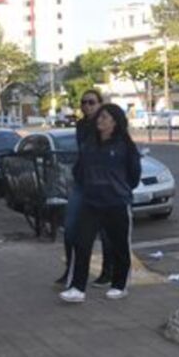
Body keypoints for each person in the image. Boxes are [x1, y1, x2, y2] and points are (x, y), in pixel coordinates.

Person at [60, 103, 141, 303]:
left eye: (105, 117)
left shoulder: (124, 145)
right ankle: (77, 288)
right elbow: (79, 170)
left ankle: (119, 284)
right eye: (99, 117)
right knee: (82, 243)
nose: (100, 121)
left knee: (119, 245)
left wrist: (120, 189)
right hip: (91, 202)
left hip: (116, 202)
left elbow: (134, 174)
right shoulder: (90, 144)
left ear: (115, 122)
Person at [56, 89, 112, 287]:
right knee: (70, 228)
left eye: (91, 102)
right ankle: (70, 270)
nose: (87, 106)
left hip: (104, 184)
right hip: (83, 182)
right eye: (83, 102)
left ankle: (108, 272)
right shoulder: (81, 125)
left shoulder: (107, 124)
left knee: (106, 231)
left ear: (100, 103)